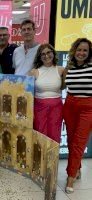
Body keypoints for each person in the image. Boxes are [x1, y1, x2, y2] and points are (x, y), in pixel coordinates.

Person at [62, 38, 92, 194]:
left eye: (85, 50)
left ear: (89, 52)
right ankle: (77, 168)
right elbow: (63, 85)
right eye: (79, 50)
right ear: (74, 51)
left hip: (88, 108)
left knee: (79, 142)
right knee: (71, 140)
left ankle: (70, 176)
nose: (81, 53)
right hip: (70, 105)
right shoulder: (69, 67)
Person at [28, 44, 64, 143]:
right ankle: (40, 159)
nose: (46, 56)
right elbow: (27, 92)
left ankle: (52, 159)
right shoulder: (34, 72)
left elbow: (64, 86)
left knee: (55, 136)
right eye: (42, 54)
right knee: (40, 136)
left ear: (53, 53)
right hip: (38, 108)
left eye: (48, 52)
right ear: (39, 57)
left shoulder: (61, 70)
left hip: (57, 108)